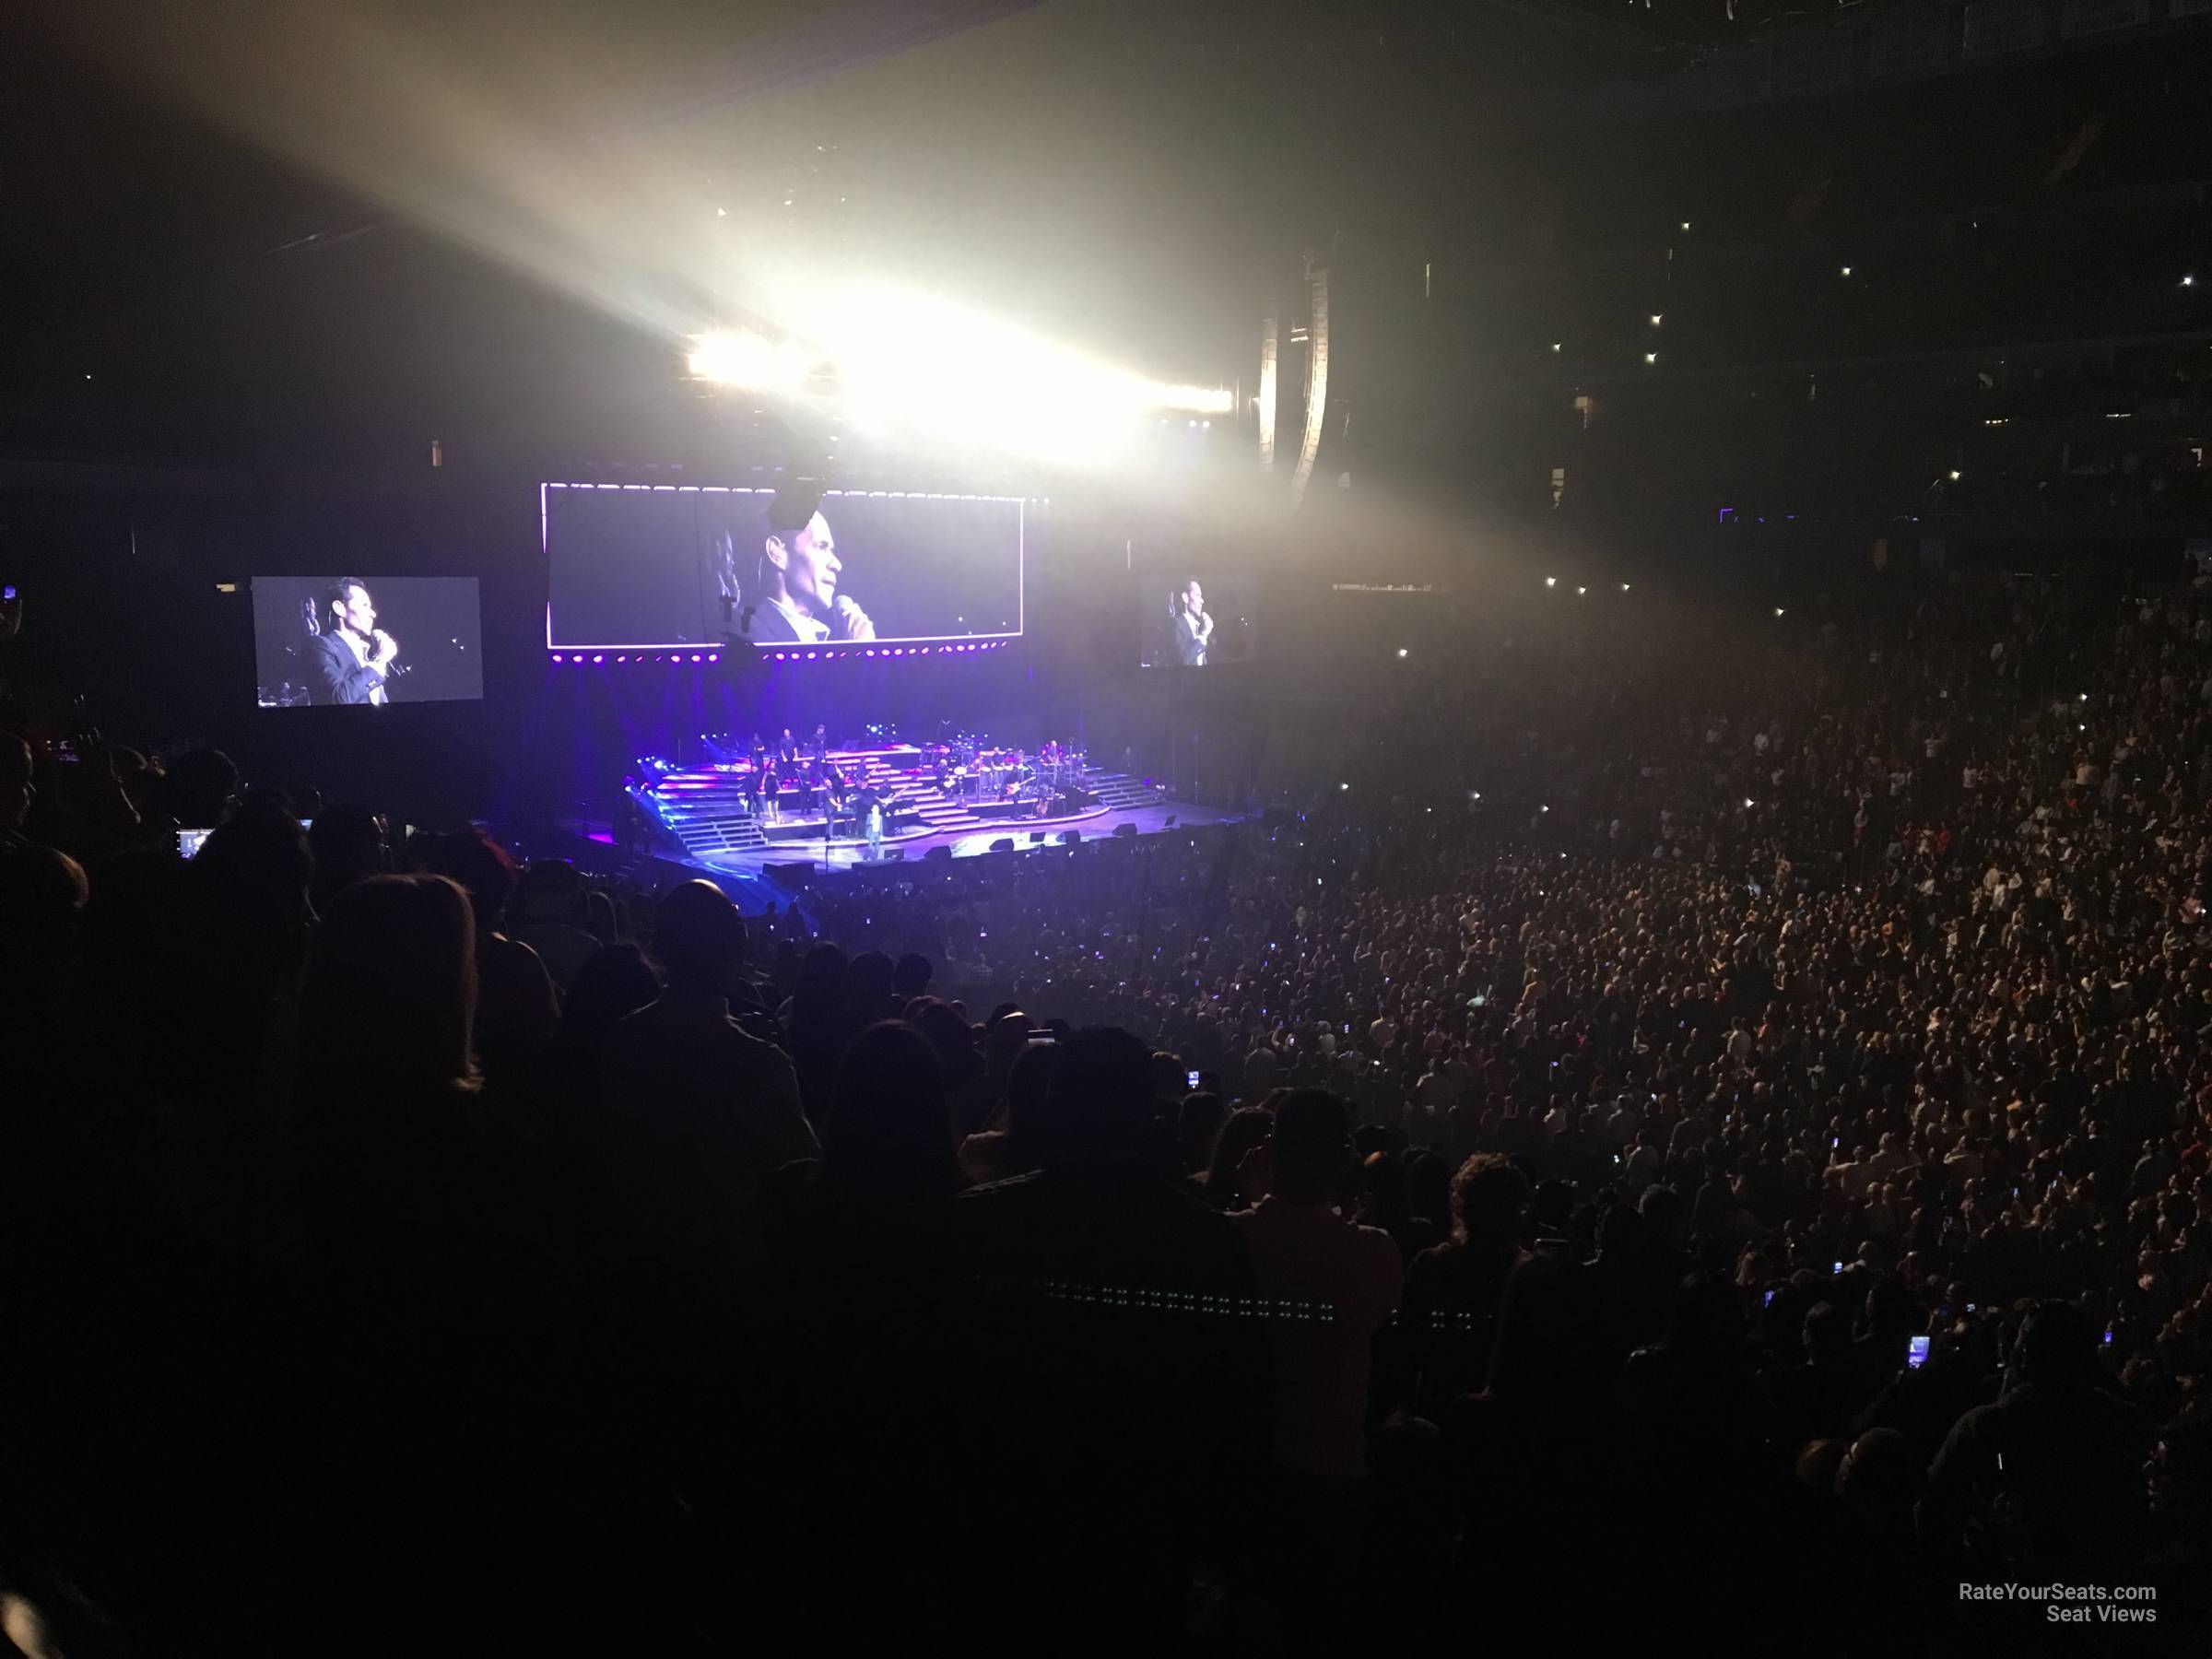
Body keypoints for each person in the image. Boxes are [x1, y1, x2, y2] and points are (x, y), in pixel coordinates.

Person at [600, 880, 817, 1270]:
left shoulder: (621, 1040)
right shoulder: (760, 1062)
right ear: (737, 951)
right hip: (733, 1266)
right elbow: (802, 1174)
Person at [748, 497, 874, 643]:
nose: (836, 564)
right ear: (778, 553)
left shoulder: (821, 639)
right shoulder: (751, 639)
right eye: (821, 547)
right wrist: (857, 655)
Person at [307, 578, 401, 705]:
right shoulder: (318, 646)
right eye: (364, 605)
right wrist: (380, 660)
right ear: (339, 608)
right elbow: (338, 698)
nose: (373, 614)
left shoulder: (367, 653)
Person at [1172, 578, 1213, 666]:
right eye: (1197, 595)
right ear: (1185, 598)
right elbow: (1184, 661)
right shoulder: (1176, 625)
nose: (1202, 601)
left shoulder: (1198, 626)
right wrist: (1204, 634)